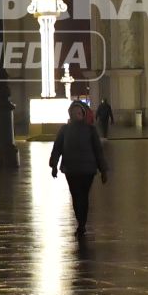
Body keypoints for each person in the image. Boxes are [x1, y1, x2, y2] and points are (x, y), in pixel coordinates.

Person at [49, 100, 109, 237]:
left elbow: (98, 151)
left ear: (82, 114)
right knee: (77, 196)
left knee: (82, 196)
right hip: (72, 169)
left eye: (78, 112)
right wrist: (53, 165)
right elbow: (57, 148)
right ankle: (81, 222)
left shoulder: (90, 130)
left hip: (85, 170)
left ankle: (81, 223)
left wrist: (103, 170)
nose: (76, 114)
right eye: (74, 112)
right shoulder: (65, 130)